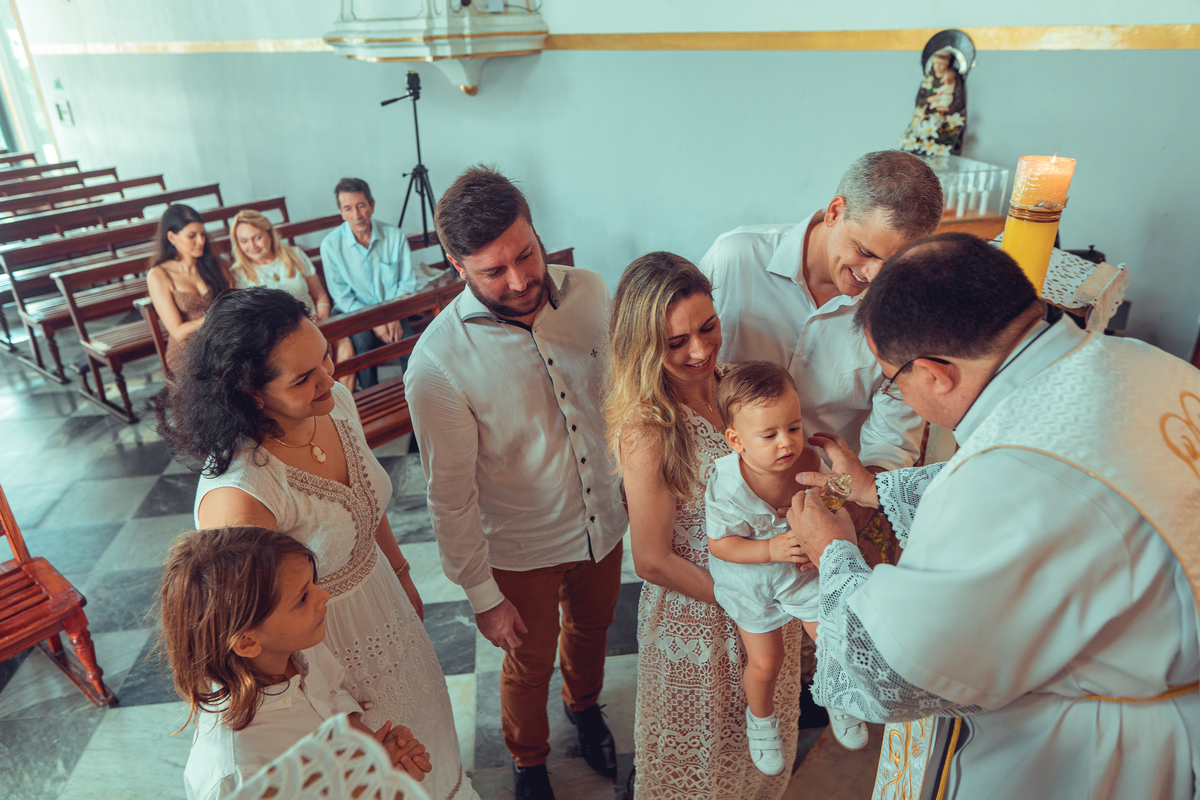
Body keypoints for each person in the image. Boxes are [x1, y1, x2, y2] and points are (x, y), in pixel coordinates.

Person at [789, 233, 1200, 799]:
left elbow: (890, 670)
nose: (901, 394)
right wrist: (877, 489)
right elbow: (1072, 484)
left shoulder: (1006, 483)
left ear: (935, 373)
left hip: (1098, 754)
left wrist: (833, 551)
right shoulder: (1141, 361)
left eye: (894, 380)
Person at [150, 287, 476, 800]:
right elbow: (245, 630)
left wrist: (400, 572)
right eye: (302, 378)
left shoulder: (335, 402)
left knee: (423, 735)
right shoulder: (241, 494)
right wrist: (335, 721)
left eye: (324, 357)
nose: (328, 379)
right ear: (253, 392)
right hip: (322, 644)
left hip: (383, 600)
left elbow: (364, 504)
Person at [405, 166, 626, 800]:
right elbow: (449, 497)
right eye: (493, 271)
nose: (521, 280)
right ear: (457, 266)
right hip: (521, 549)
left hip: (603, 523)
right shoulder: (437, 363)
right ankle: (529, 761)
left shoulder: (590, 292)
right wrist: (482, 595)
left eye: (526, 254)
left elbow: (617, 399)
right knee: (528, 667)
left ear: (536, 230)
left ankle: (584, 707)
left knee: (593, 631)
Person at [604, 251, 804, 799]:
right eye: (675, 342)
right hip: (701, 617)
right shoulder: (649, 427)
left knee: (761, 757)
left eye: (708, 327)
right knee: (704, 767)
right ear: (643, 345)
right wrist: (745, 596)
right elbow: (652, 559)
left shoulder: (741, 386)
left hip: (770, 599)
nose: (699, 350)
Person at [697, 150, 942, 476]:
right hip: (712, 477)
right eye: (864, 251)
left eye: (895, 263)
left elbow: (890, 446)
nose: (874, 276)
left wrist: (848, 499)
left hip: (830, 489)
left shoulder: (910, 317)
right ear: (835, 212)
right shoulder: (733, 259)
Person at [160, 526, 432, 799]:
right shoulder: (241, 772)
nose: (323, 596)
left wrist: (373, 749)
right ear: (246, 642)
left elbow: (331, 696)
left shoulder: (297, 649)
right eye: (302, 598)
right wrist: (373, 782)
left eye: (312, 583)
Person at [705, 361, 868, 775]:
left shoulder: (806, 460)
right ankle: (761, 722)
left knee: (830, 640)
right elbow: (720, 545)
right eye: (769, 435)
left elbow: (832, 499)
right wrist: (771, 549)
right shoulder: (727, 484)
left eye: (793, 427)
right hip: (752, 578)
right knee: (767, 661)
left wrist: (839, 487)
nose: (786, 443)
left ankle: (839, 698)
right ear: (737, 440)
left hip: (800, 572)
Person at [230, 209, 356, 390]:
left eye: (257, 237)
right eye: (244, 241)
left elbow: (320, 295)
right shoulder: (237, 274)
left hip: (316, 325)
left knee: (345, 349)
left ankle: (344, 402)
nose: (252, 246)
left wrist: (322, 319)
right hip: (279, 340)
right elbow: (249, 321)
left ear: (269, 234)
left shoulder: (295, 254)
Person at [319, 177, 416, 388]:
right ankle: (370, 399)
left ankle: (413, 396)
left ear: (372, 205)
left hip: (393, 311)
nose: (356, 215)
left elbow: (407, 283)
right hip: (355, 314)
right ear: (341, 212)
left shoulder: (394, 236)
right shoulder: (330, 246)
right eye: (348, 208)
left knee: (410, 345)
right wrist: (375, 321)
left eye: (361, 206)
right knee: (362, 345)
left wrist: (390, 315)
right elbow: (342, 296)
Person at [146, 203, 231, 370]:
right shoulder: (158, 275)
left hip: (221, 340)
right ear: (172, 237)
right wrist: (217, 315)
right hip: (187, 351)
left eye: (202, 234)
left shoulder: (217, 264)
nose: (201, 241)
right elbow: (178, 331)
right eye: (192, 236)